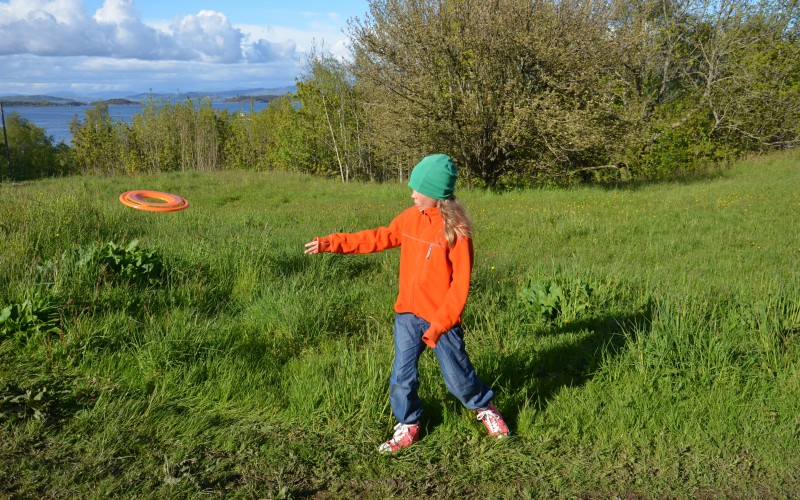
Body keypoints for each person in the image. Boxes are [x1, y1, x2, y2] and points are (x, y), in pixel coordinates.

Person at [304, 153, 509, 453]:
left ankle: (484, 406)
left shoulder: (457, 233)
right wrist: (331, 243)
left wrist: (440, 324)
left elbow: (459, 286)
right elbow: (376, 238)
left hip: (441, 320)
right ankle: (408, 424)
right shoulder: (410, 219)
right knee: (402, 376)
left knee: (458, 379)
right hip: (407, 315)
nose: (412, 194)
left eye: (418, 189)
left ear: (436, 195)